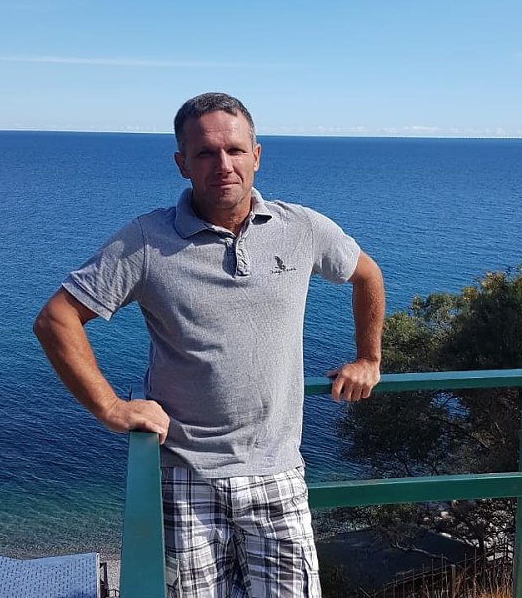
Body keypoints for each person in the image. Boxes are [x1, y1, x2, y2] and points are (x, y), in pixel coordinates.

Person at [34, 92, 385, 597]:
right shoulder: (146, 241)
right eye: (205, 153)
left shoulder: (302, 228)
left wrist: (368, 358)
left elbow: (367, 275)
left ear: (256, 156)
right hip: (185, 478)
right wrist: (110, 408)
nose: (223, 164)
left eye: (235, 150)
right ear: (182, 163)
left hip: (278, 472)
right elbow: (56, 319)